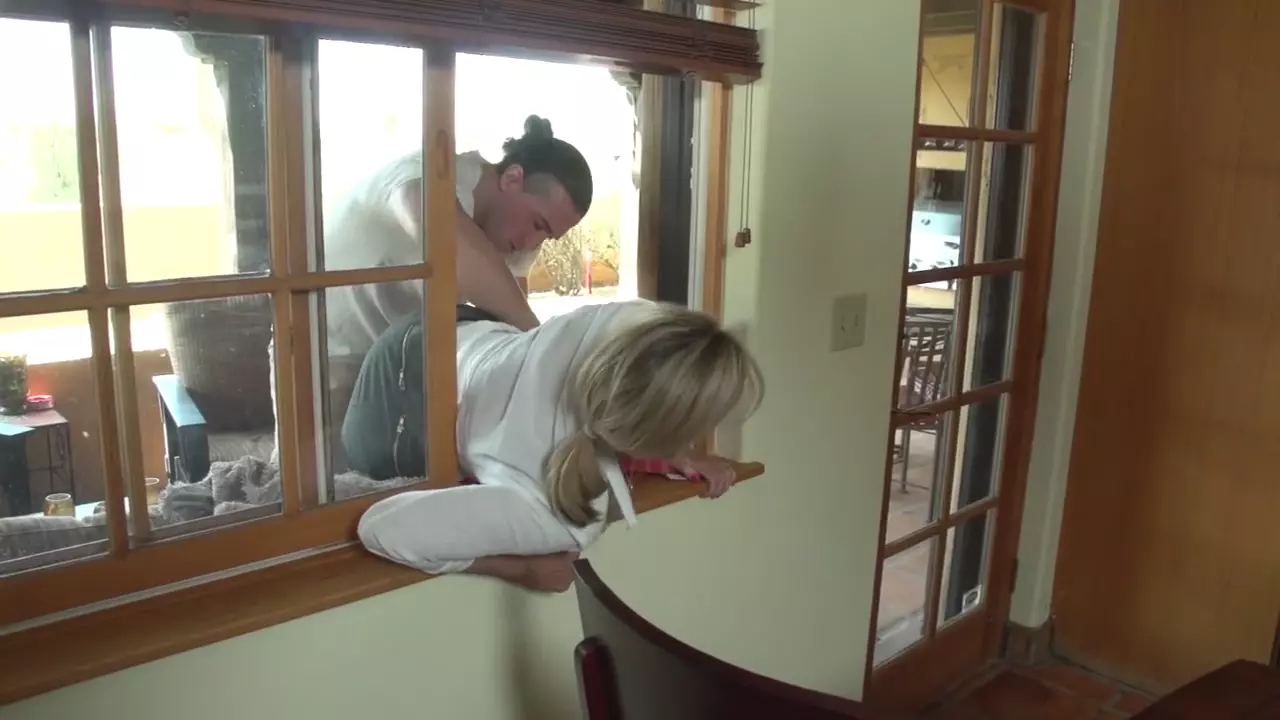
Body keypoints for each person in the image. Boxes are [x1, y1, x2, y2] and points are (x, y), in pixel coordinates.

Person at [354, 300, 764, 593]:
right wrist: (522, 570)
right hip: (399, 405)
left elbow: (647, 383)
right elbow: (380, 527)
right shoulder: (560, 517)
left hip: (442, 324)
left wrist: (682, 453)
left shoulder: (634, 319)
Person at [309, 115, 593, 461]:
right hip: (326, 357)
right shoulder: (423, 175)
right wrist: (545, 344)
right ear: (512, 178)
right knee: (314, 486)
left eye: (547, 237)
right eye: (537, 224)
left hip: (400, 367)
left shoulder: (513, 238)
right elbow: (453, 246)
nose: (532, 243)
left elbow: (508, 326)